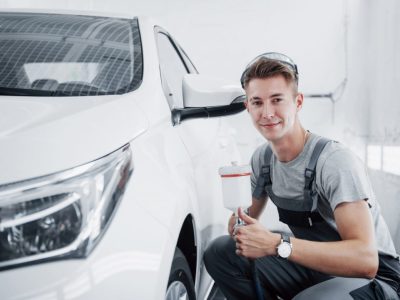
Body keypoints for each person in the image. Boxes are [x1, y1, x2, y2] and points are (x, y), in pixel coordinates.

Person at [204, 52, 400, 299]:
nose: (266, 112)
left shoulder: (333, 161)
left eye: (277, 100)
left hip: (373, 280)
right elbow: (244, 221)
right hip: (317, 269)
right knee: (221, 252)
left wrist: (277, 245)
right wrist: (240, 225)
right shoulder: (262, 161)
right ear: (247, 107)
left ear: (297, 102)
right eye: (257, 102)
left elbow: (365, 260)